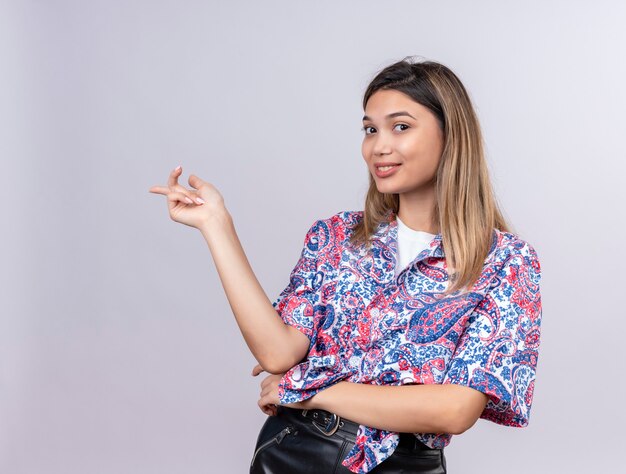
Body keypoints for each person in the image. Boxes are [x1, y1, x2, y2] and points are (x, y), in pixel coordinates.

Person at [148, 56, 542, 474]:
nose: (379, 146)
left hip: (403, 465)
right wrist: (217, 226)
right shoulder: (336, 237)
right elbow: (279, 351)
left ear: (451, 136)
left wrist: (310, 390)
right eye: (370, 129)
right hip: (295, 451)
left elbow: (455, 409)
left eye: (400, 126)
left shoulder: (505, 262)